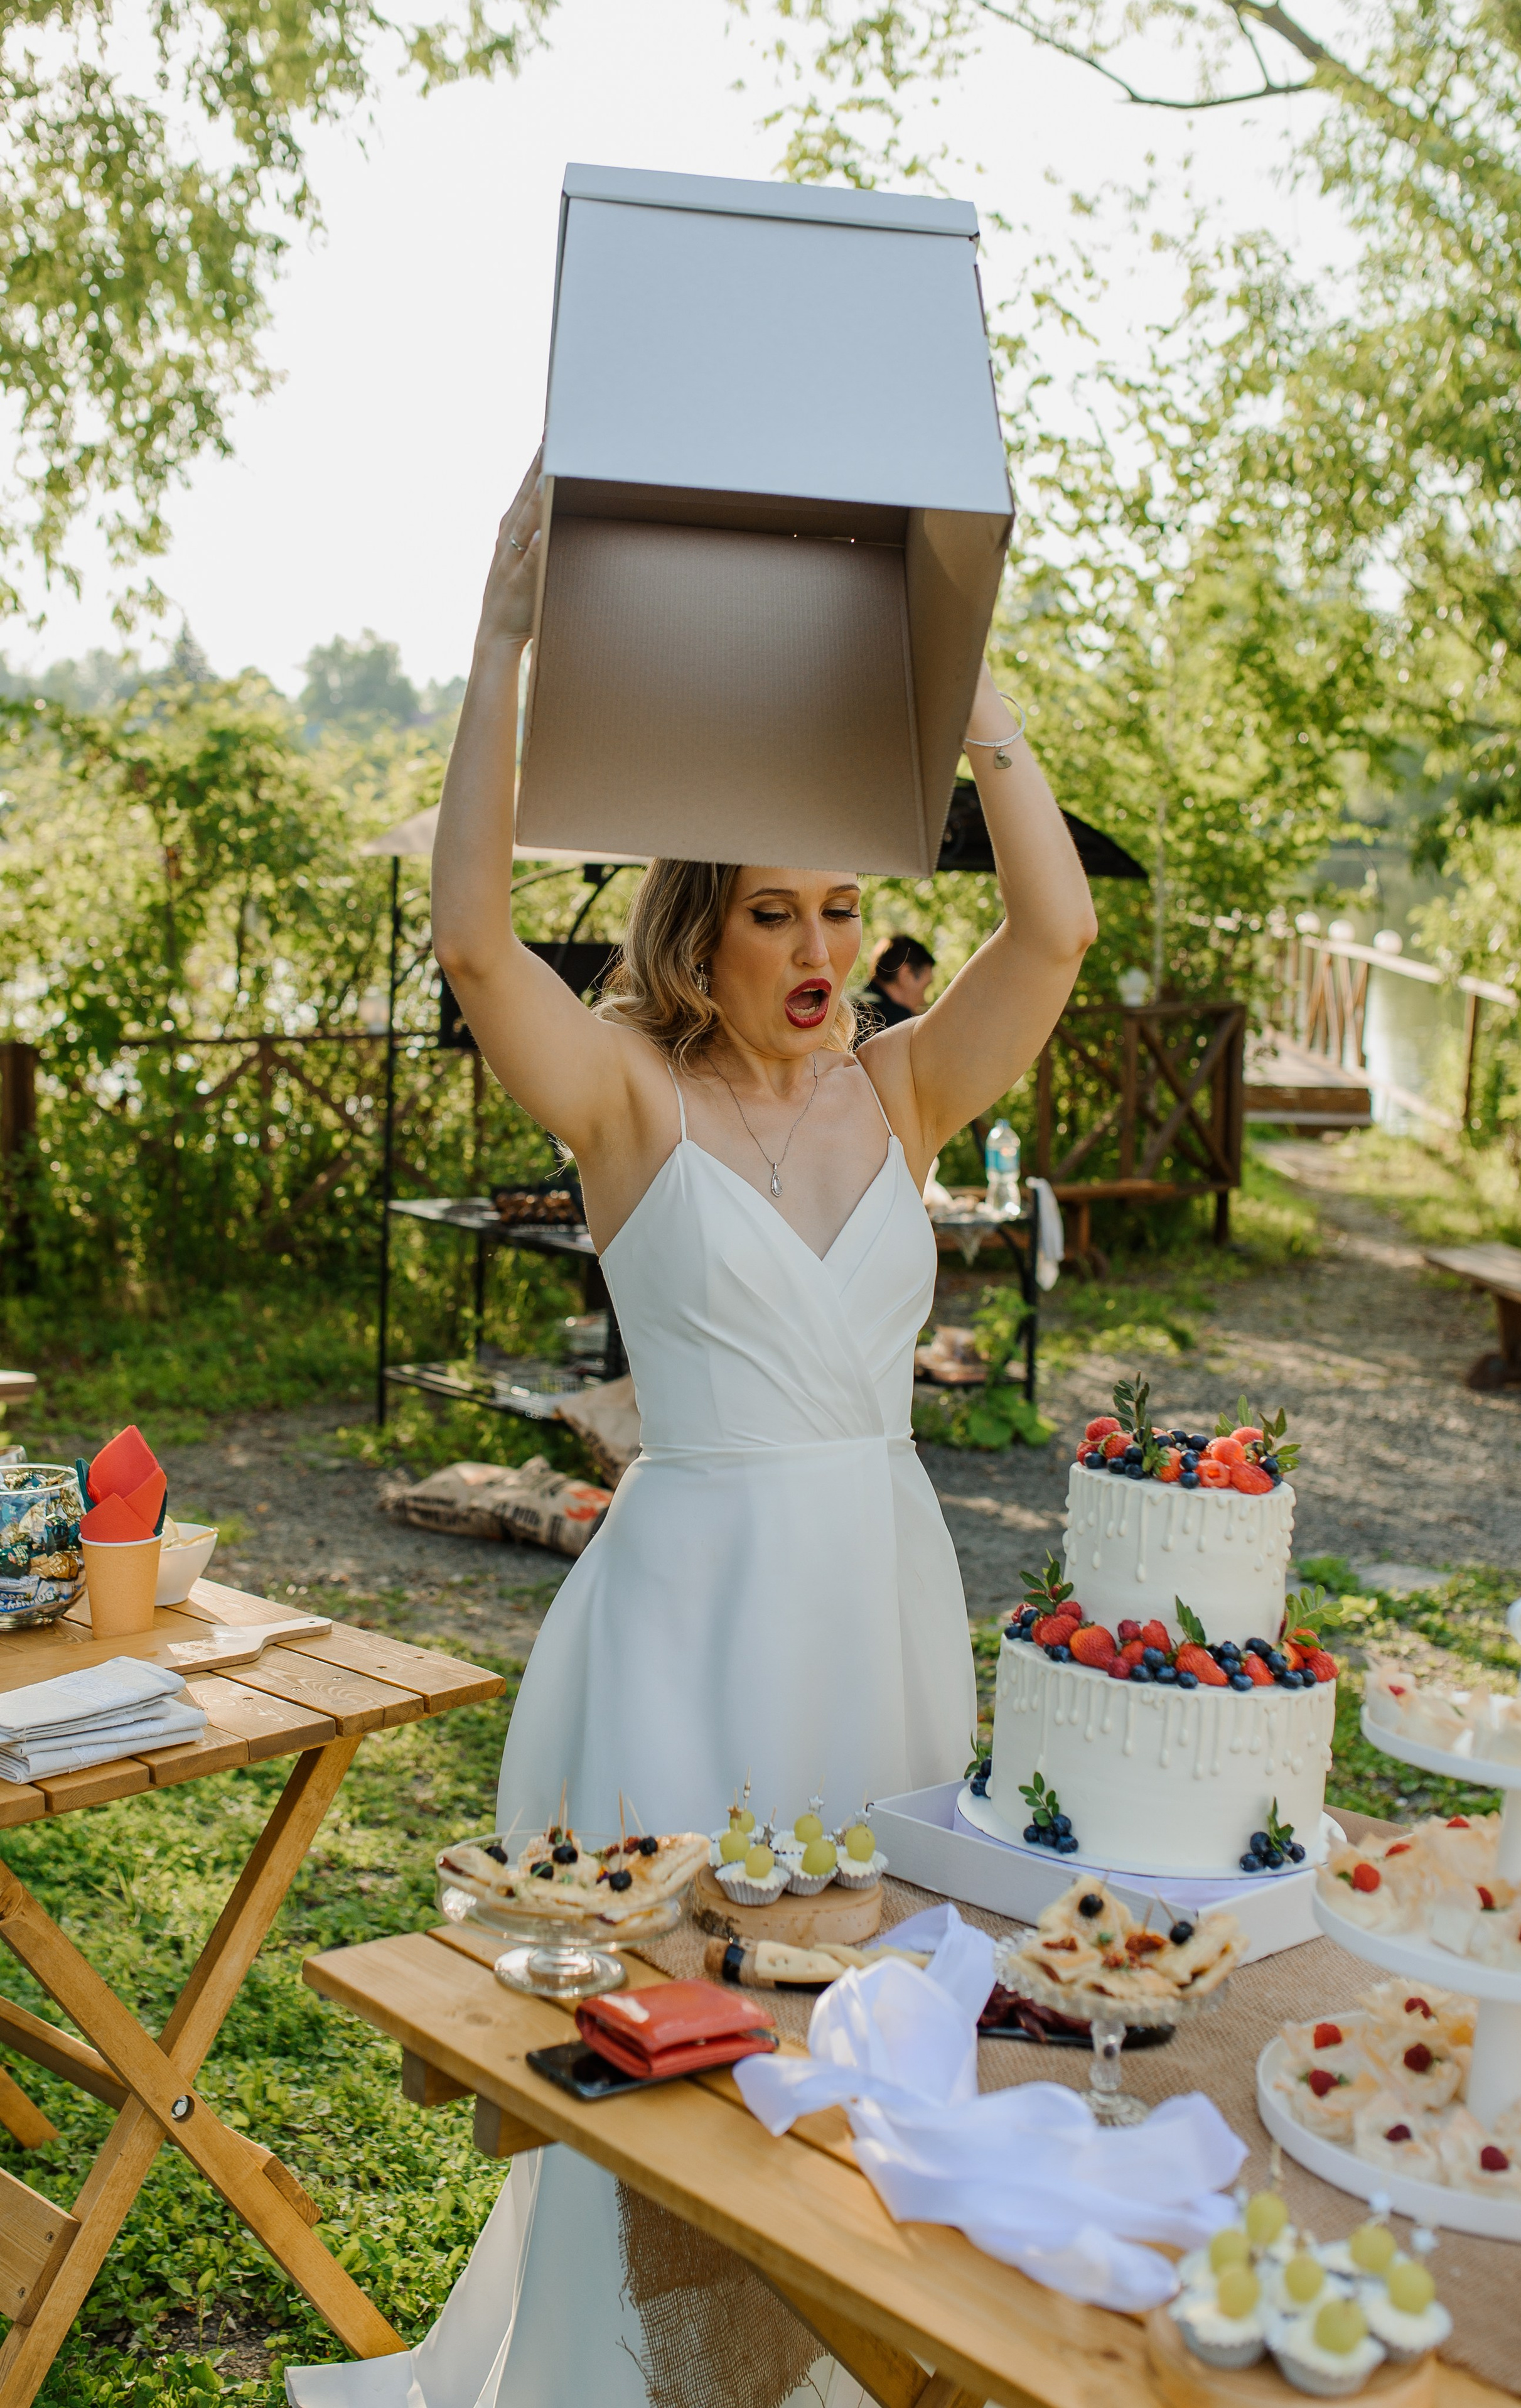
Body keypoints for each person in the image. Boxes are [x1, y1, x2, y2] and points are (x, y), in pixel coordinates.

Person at [286, 454, 1097, 2408]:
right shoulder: (629, 1104)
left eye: (840, 906)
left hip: (877, 1602)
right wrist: (503, 637)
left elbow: (1053, 930)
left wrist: (968, 708)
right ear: (694, 935)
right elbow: (477, 940)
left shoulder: (903, 1096)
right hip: (686, 1620)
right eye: (772, 917)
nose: (821, 952)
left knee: (867, 2030)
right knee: (674, 2054)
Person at [856, 931, 935, 1035]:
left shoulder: (847, 1006)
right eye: (925, 988)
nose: (924, 1001)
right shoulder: (896, 1022)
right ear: (906, 974)